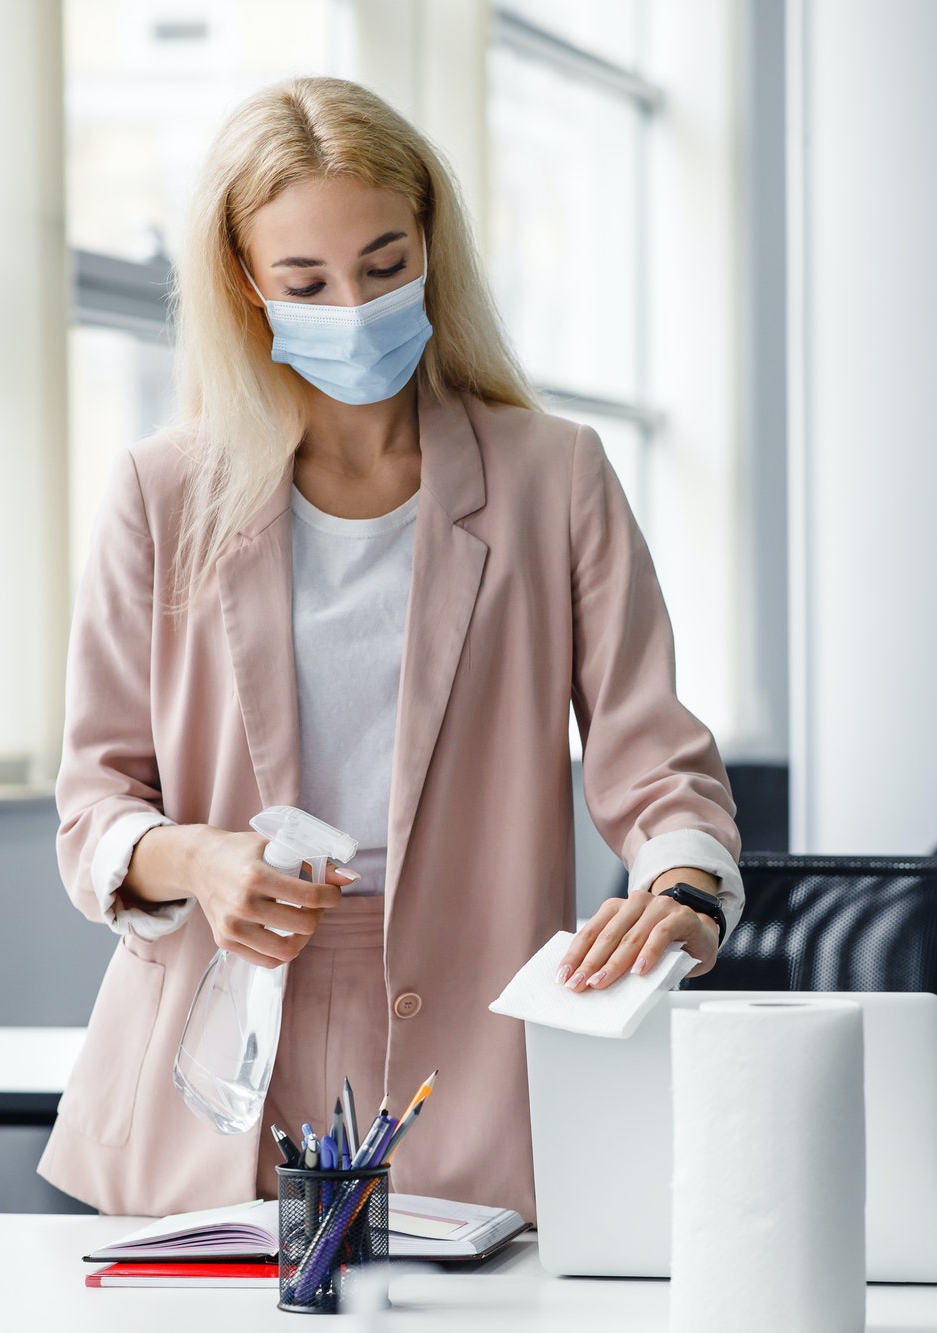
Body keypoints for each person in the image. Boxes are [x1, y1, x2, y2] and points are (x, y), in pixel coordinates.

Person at [38, 76, 740, 1220]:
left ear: (431, 250)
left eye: (383, 264)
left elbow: (655, 758)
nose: (353, 307)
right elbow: (95, 807)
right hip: (215, 1044)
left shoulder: (551, 477)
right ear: (244, 283)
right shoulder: (160, 492)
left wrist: (684, 883)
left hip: (473, 1036)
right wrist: (201, 861)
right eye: (305, 281)